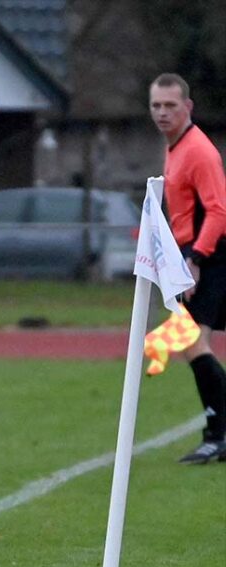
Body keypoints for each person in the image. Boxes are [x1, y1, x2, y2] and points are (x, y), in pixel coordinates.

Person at [149, 73, 226, 464]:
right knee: (188, 343)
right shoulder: (175, 147)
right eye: (156, 105)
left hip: (209, 256)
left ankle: (218, 434)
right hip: (192, 254)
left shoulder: (198, 151)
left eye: (170, 105)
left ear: (188, 107)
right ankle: (219, 432)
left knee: (191, 342)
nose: (162, 112)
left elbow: (218, 210)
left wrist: (195, 259)